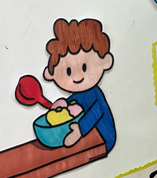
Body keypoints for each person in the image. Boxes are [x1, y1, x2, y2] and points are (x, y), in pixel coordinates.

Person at [43, 18, 116, 152]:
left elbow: (97, 111)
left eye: (84, 67)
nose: (77, 77)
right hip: (85, 141)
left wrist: (80, 130)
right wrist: (60, 105)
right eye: (68, 71)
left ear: (105, 61)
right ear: (51, 74)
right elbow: (71, 106)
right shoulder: (77, 96)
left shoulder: (94, 94)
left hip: (103, 138)